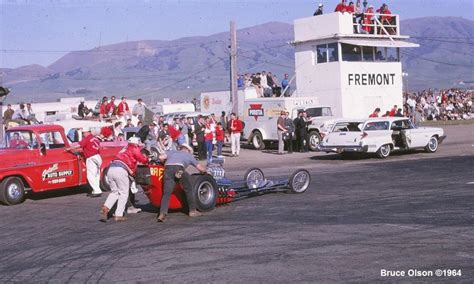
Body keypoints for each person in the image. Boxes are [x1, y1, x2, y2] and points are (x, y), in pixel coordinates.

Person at [101, 137, 148, 222]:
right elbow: (143, 159)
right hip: (121, 169)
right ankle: (118, 215)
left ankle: (106, 206)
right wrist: (147, 159)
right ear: (136, 142)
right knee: (124, 193)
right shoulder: (134, 148)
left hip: (111, 168)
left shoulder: (124, 148)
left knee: (114, 191)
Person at [156, 144, 207, 222]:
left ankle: (162, 213)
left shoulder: (172, 152)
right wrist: (205, 171)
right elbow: (200, 168)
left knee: (167, 192)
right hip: (179, 168)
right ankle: (192, 211)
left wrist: (164, 163)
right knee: (189, 188)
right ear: (188, 150)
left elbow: (160, 157)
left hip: (168, 169)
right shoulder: (189, 156)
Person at [77, 127, 113, 197]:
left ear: (87, 132)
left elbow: (78, 145)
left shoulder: (87, 139)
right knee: (97, 174)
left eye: (83, 133)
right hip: (98, 156)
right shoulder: (95, 138)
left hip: (91, 157)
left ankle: (97, 190)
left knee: (90, 175)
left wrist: (69, 148)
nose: (83, 134)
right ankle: (96, 189)